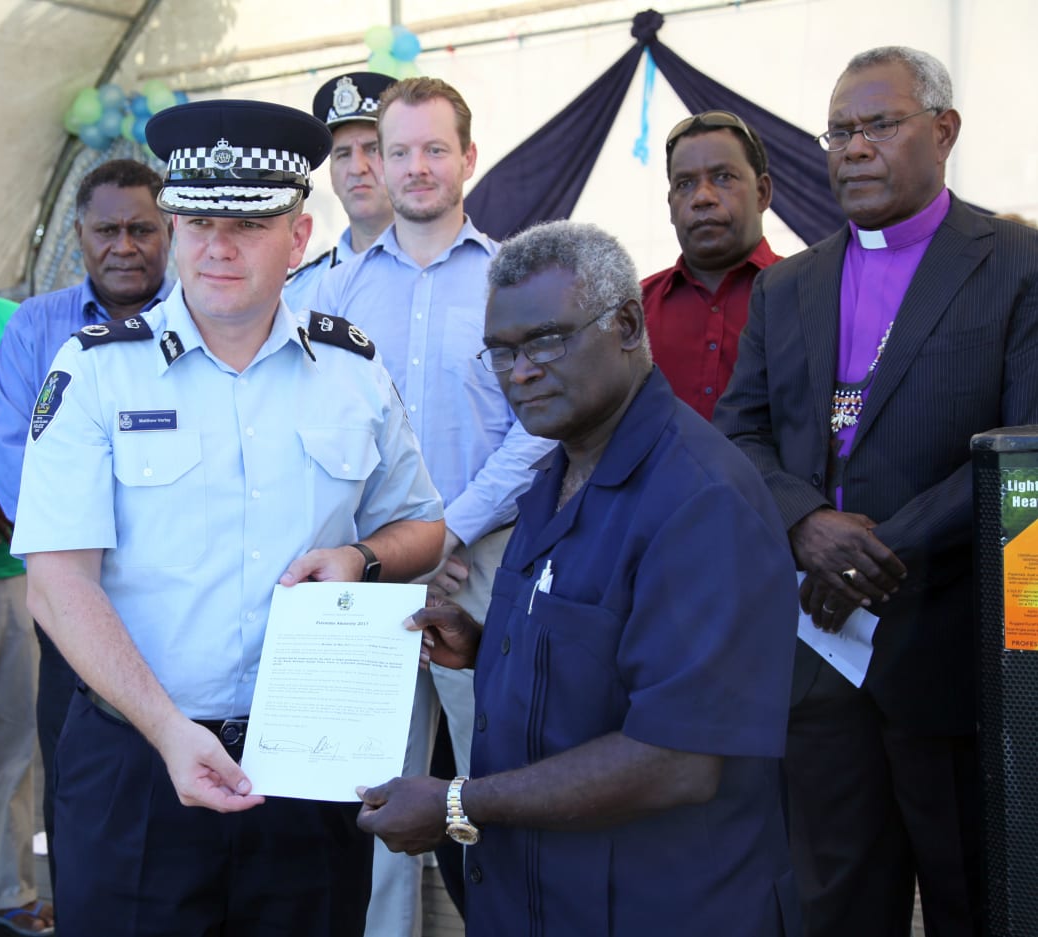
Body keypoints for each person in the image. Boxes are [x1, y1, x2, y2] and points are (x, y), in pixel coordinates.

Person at [9, 98, 445, 937]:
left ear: (299, 235)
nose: (217, 245)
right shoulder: (97, 373)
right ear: (173, 228)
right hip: (137, 761)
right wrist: (171, 731)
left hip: (306, 765)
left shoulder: (351, 369)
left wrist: (363, 558)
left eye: (248, 224)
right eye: (197, 219)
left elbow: (422, 526)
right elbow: (57, 585)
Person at [356, 220, 802, 937]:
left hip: (662, 908)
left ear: (627, 324)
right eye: (499, 352)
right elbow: (604, 645)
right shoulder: (559, 470)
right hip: (539, 899)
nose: (520, 371)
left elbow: (677, 757)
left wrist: (456, 802)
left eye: (545, 341)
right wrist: (489, 643)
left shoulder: (700, 499)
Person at [713, 46, 1038, 937]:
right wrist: (808, 522)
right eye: (840, 131)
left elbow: (1024, 446)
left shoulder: (1017, 262)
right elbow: (739, 433)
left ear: (944, 131)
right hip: (818, 650)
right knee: (833, 904)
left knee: (979, 895)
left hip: (956, 646)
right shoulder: (787, 286)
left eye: (878, 126)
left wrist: (872, 548)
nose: (853, 148)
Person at [314, 76, 552, 937]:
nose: (414, 168)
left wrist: (449, 527)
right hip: (370, 574)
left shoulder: (513, 279)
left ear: (468, 158)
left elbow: (542, 424)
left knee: (503, 784)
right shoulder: (331, 295)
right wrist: (394, 544)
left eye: (433, 149)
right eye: (397, 150)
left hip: (489, 568)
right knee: (374, 798)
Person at [0, 158, 172, 890]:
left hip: (183, 598)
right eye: (107, 230)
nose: (124, 245)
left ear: (170, 231)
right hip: (73, 606)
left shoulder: (204, 313)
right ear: (79, 234)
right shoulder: (37, 327)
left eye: (141, 229)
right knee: (76, 782)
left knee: (177, 783)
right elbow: (13, 463)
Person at [641, 110, 777, 420]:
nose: (702, 197)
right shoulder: (634, 311)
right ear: (671, 207)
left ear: (762, 193)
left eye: (723, 177)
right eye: (685, 184)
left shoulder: (810, 294)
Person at [0, 294, 54, 936]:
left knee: (11, 741)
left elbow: (47, 428)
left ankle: (7, 889)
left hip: (8, 571)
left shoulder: (15, 322)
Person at [282, 71, 396, 312]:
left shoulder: (451, 275)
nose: (357, 168)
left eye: (372, 149)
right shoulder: (300, 293)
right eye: (343, 154)